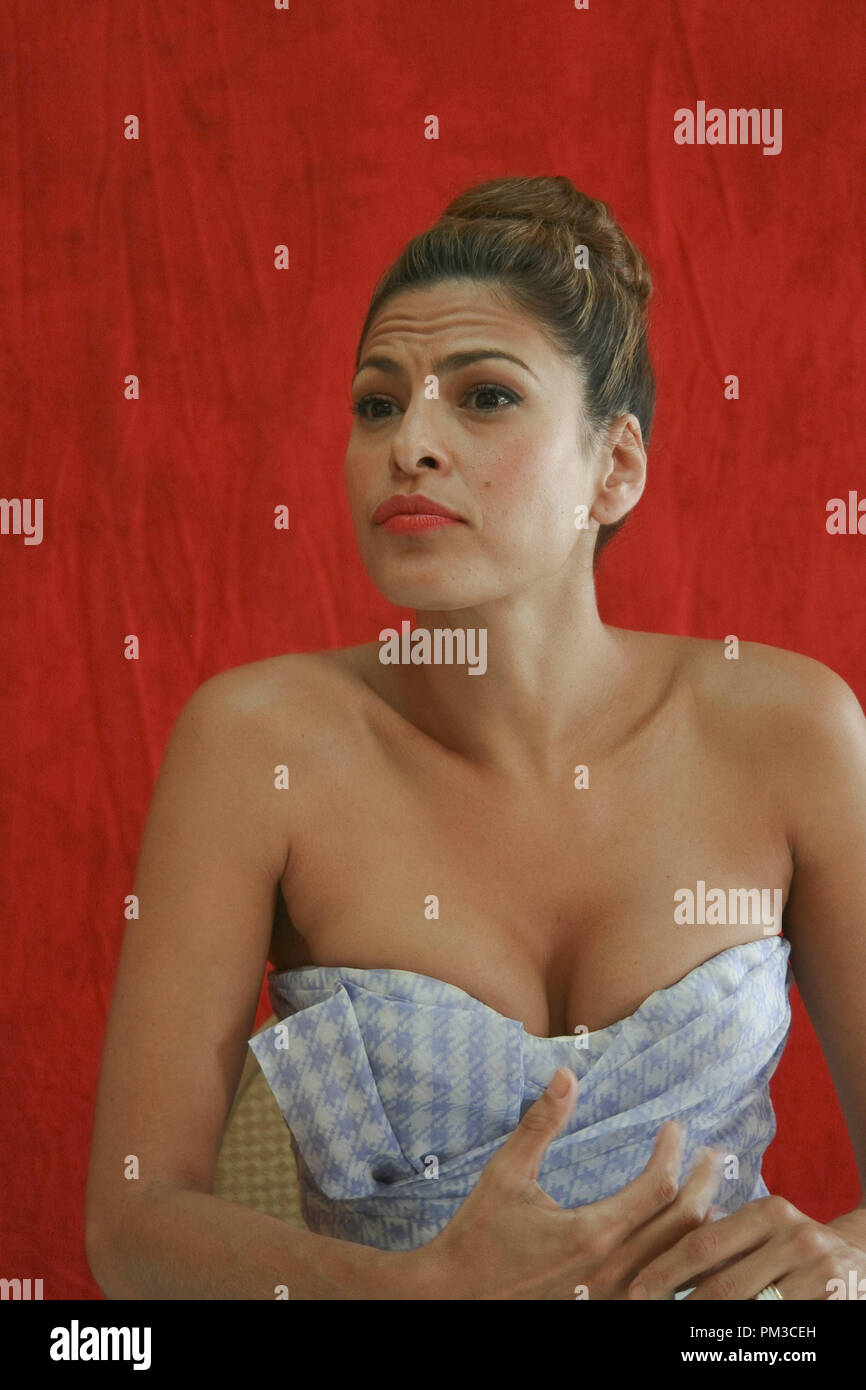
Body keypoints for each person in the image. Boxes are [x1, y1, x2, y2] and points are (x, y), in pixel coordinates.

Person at [85, 176, 866, 1301]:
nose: (410, 442)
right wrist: (421, 1294)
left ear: (614, 468)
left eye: (485, 396)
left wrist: (849, 1257)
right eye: (376, 404)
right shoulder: (256, 745)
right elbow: (133, 1224)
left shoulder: (792, 730)